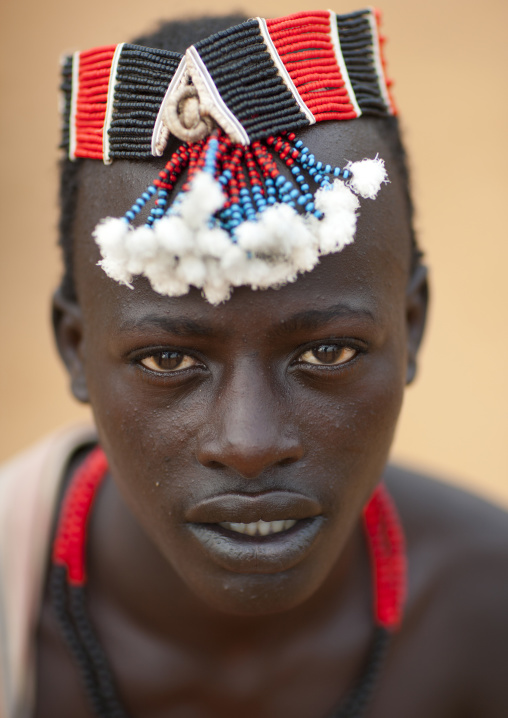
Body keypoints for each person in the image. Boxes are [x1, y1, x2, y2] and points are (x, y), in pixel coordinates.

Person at [1, 9, 508, 718]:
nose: (249, 444)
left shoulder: (489, 609)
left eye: (326, 352)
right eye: (169, 358)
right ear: (75, 348)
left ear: (411, 326)